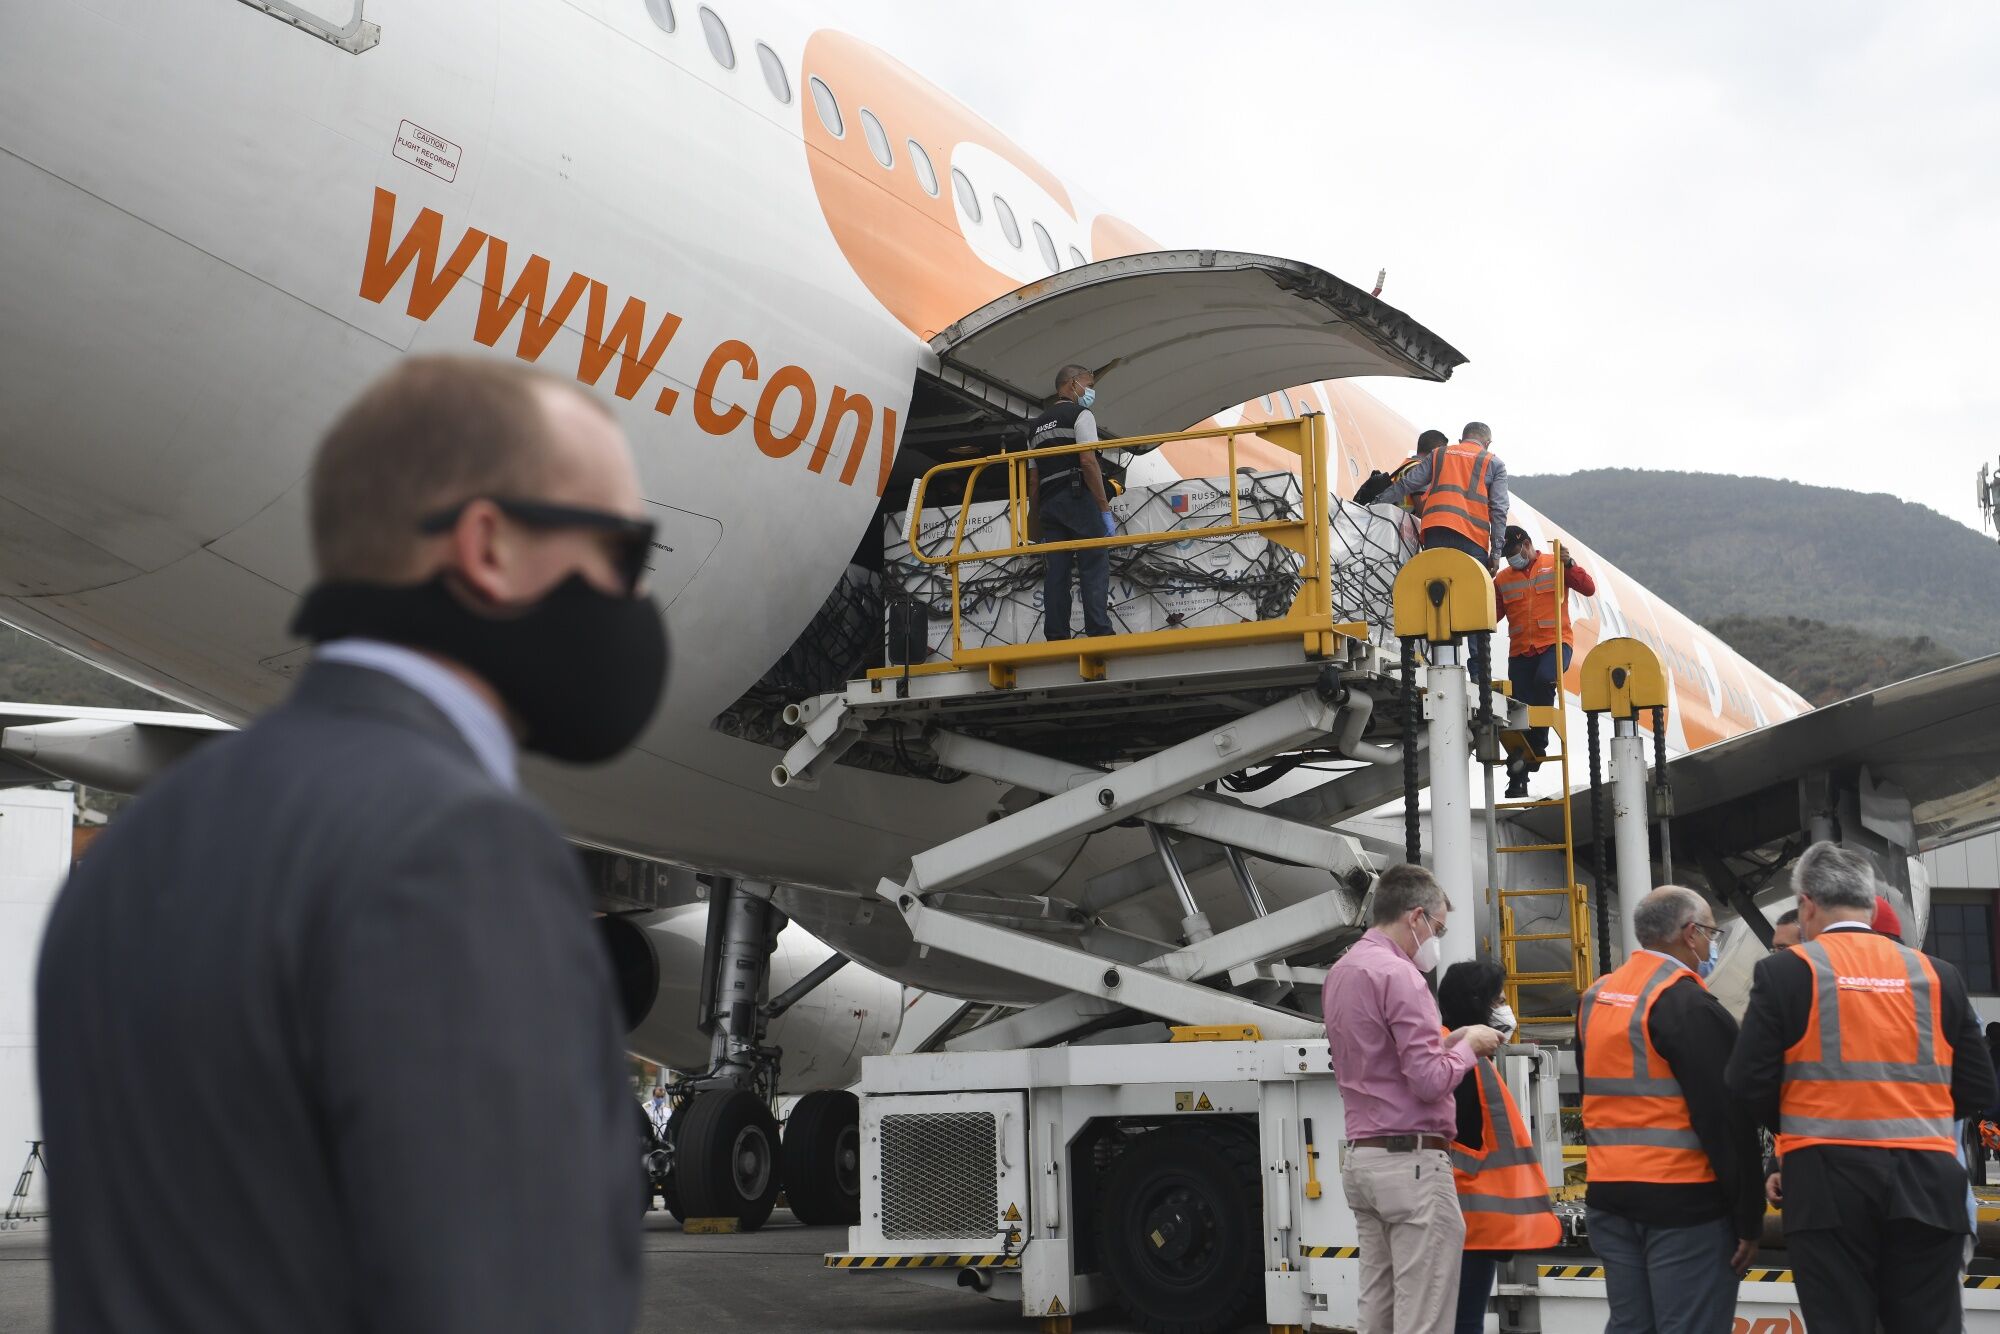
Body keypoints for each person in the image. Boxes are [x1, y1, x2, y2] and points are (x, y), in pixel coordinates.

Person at [36, 357, 667, 1333]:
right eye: (621, 557)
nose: (630, 604)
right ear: (489, 545)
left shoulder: (128, 855)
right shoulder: (458, 846)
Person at [1726, 842, 1997, 1334]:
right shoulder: (1940, 976)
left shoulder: (1787, 972)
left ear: (1806, 905)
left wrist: (1801, 1127)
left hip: (1827, 1184)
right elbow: (1979, 1088)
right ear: (1871, 905)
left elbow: (1746, 1083)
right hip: (1928, 1183)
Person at [1322, 864, 1503, 1332]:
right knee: (1424, 1315)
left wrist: (1448, 1040)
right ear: (1416, 917)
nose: (1437, 939)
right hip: (1413, 1167)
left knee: (1378, 1310)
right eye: (1438, 927)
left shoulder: (1343, 971)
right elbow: (1427, 1081)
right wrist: (1469, 1048)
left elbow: (1379, 1060)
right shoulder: (1402, 977)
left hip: (1365, 1161)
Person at [1579, 886, 1763, 1334]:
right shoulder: (1689, 1005)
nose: (1712, 944)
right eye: (1711, 933)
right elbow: (1725, 1121)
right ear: (1691, 933)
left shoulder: (1596, 997)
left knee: (1630, 1325)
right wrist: (1749, 1216)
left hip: (1609, 1196)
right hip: (1682, 1201)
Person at [1438, 961, 1562, 1334]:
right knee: (1463, 1324)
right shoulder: (1463, 1062)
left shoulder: (1452, 1050)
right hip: (1468, 1223)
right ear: (1479, 1005)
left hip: (1466, 1221)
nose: (1507, 1011)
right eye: (1500, 1000)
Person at [1493, 525, 1596, 797]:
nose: (1512, 559)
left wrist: (1570, 563)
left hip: (1555, 644)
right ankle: (1519, 777)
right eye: (1507, 555)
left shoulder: (1555, 564)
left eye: (1515, 552)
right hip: (1521, 652)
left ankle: (1538, 745)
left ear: (1527, 544)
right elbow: (1492, 614)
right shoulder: (1503, 580)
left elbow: (1588, 588)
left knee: (1544, 679)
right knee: (1519, 711)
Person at [1025, 363, 1115, 640]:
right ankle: (1099, 630)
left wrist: (1035, 519)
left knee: (1057, 573)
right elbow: (1088, 461)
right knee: (1093, 564)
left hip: (1050, 506)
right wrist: (1103, 508)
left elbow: (1032, 480)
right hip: (1078, 499)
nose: (1090, 392)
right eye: (1088, 386)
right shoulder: (1081, 414)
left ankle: (1056, 634)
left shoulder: (1034, 428)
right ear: (1072, 383)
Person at [1374, 421, 1511, 571]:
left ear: (1461, 440)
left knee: (1435, 585)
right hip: (1473, 537)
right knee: (1468, 589)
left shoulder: (1439, 453)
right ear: (1487, 443)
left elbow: (1407, 483)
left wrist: (1374, 504)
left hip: (1436, 531)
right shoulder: (1495, 464)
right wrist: (1496, 554)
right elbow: (1499, 510)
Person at [1354, 429, 1448, 510]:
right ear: (1436, 450)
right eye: (1443, 452)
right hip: (1398, 523)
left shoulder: (1408, 464)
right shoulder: (1420, 470)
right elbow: (1420, 506)